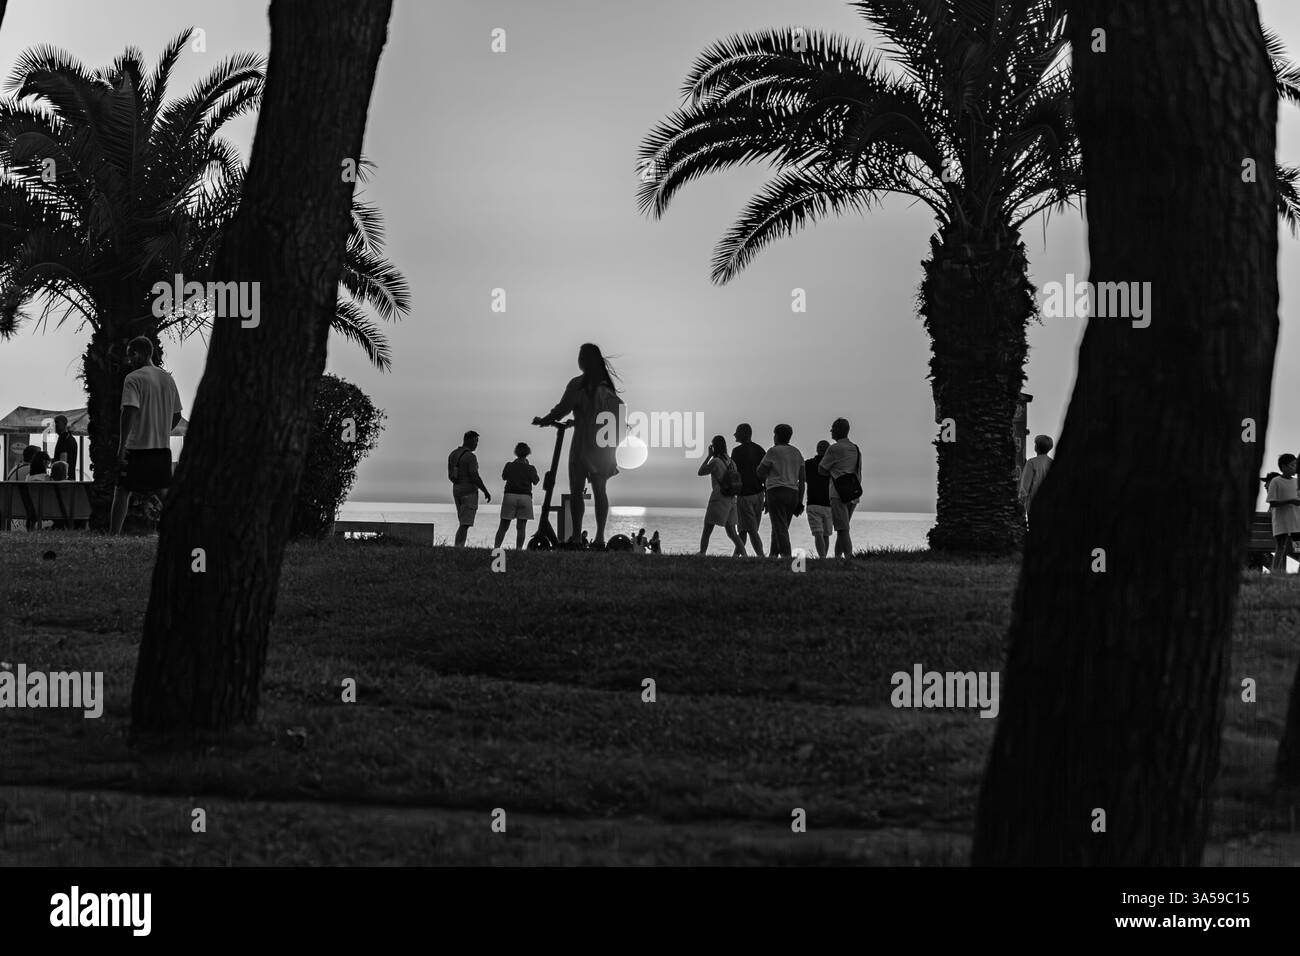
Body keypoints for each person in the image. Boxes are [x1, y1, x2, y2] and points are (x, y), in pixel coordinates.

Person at [532, 343, 624, 549]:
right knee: (599, 490)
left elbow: (562, 409)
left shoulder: (578, 385)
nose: (580, 360)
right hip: (602, 446)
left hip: (583, 444)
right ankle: (599, 538)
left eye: (582, 357)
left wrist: (546, 420)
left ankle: (576, 537)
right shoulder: (606, 389)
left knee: (577, 491)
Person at [111, 337, 183, 535]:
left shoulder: (133, 378)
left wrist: (121, 447)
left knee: (123, 490)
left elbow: (129, 412)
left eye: (130, 354)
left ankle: (113, 535)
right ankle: (183, 530)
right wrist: (160, 430)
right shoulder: (168, 378)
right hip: (161, 449)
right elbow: (177, 415)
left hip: (137, 448)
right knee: (163, 492)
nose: (128, 360)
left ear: (138, 353)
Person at [756, 424, 805, 558]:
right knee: (779, 526)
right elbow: (802, 479)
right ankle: (773, 555)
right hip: (793, 493)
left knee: (780, 528)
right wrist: (800, 500)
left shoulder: (773, 451)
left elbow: (760, 472)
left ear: (777, 435)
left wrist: (764, 473)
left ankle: (786, 556)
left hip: (776, 491)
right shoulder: (797, 453)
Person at [818, 418, 862, 559]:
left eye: (832, 428)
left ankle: (849, 557)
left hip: (838, 493)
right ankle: (837, 557)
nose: (831, 431)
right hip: (853, 493)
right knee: (843, 527)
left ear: (837, 430)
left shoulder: (834, 448)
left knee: (842, 529)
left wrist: (832, 471)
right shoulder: (855, 448)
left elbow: (822, 469)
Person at [698, 435, 746, 556]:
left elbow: (701, 471)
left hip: (719, 498)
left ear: (714, 447)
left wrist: (709, 455)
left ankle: (702, 553)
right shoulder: (732, 463)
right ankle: (744, 554)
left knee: (707, 527)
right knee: (732, 532)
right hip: (732, 500)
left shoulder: (715, 462)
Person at [448, 430, 490, 548]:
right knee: (465, 524)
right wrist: (485, 490)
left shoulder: (453, 454)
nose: (477, 444)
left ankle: (459, 546)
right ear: (469, 440)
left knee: (462, 522)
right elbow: (474, 476)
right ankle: (459, 547)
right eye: (476, 441)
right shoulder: (470, 457)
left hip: (456, 490)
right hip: (469, 492)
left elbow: (450, 475)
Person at [495, 441, 539, 550]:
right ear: (528, 453)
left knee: (503, 526)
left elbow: (504, 476)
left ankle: (496, 548)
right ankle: (518, 549)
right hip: (525, 497)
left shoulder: (509, 465)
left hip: (510, 495)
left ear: (516, 452)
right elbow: (536, 481)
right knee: (521, 527)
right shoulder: (530, 468)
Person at [731, 424, 766, 556]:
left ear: (744, 433)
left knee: (750, 530)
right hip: (759, 494)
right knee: (744, 530)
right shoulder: (760, 450)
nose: (735, 435)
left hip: (745, 495)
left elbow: (733, 474)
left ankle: (761, 556)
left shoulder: (736, 451)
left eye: (737, 433)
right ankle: (735, 556)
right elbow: (766, 474)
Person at [1266, 454, 1300, 575]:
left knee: (1298, 548)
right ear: (1283, 467)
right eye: (1292, 465)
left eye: (1296, 464)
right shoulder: (1276, 481)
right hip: (1282, 523)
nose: (1295, 467)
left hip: (1296, 523)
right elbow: (1273, 502)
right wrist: (1291, 501)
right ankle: (1274, 573)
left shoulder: (1297, 482)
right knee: (1280, 547)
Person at [804, 440, 832, 558]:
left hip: (813, 503)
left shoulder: (808, 464)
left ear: (817, 449)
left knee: (818, 533)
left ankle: (822, 557)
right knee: (825, 534)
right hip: (828, 504)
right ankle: (823, 557)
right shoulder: (832, 465)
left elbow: (803, 478)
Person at [1019, 434, 1054, 520]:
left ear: (1036, 447)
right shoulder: (1054, 464)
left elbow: (1024, 488)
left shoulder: (1031, 463)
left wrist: (1020, 506)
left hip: (1034, 506)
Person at [53, 414, 78, 479]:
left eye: (57, 422)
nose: (55, 425)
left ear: (64, 424)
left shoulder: (64, 438)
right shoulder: (71, 438)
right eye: (54, 423)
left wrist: (61, 478)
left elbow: (63, 461)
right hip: (69, 478)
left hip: (63, 480)